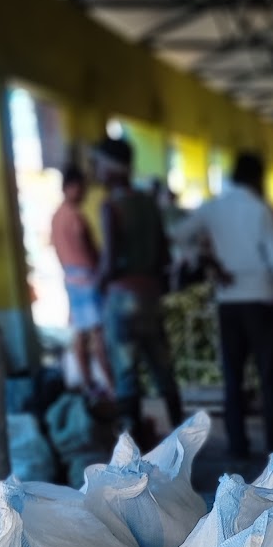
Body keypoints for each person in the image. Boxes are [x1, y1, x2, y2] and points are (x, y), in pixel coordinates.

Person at [175, 151, 273, 459]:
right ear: (258, 178)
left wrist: (206, 260)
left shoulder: (213, 207)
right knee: (268, 376)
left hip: (228, 302)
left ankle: (238, 446)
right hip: (261, 300)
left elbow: (178, 234)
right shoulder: (262, 211)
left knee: (233, 377)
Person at [95, 136, 182, 434]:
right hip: (151, 297)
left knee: (126, 374)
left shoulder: (111, 206)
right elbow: (165, 256)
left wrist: (97, 285)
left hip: (122, 298)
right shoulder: (149, 203)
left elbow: (109, 262)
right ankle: (183, 437)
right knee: (162, 370)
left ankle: (132, 445)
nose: (97, 171)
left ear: (112, 168)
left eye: (99, 164)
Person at [51, 164, 113, 398]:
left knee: (81, 333)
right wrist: (99, 272)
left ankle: (90, 385)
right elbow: (89, 250)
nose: (84, 192)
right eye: (82, 187)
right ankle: (112, 385)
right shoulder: (75, 217)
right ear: (71, 187)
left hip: (71, 278)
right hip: (87, 279)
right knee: (98, 335)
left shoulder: (57, 216)